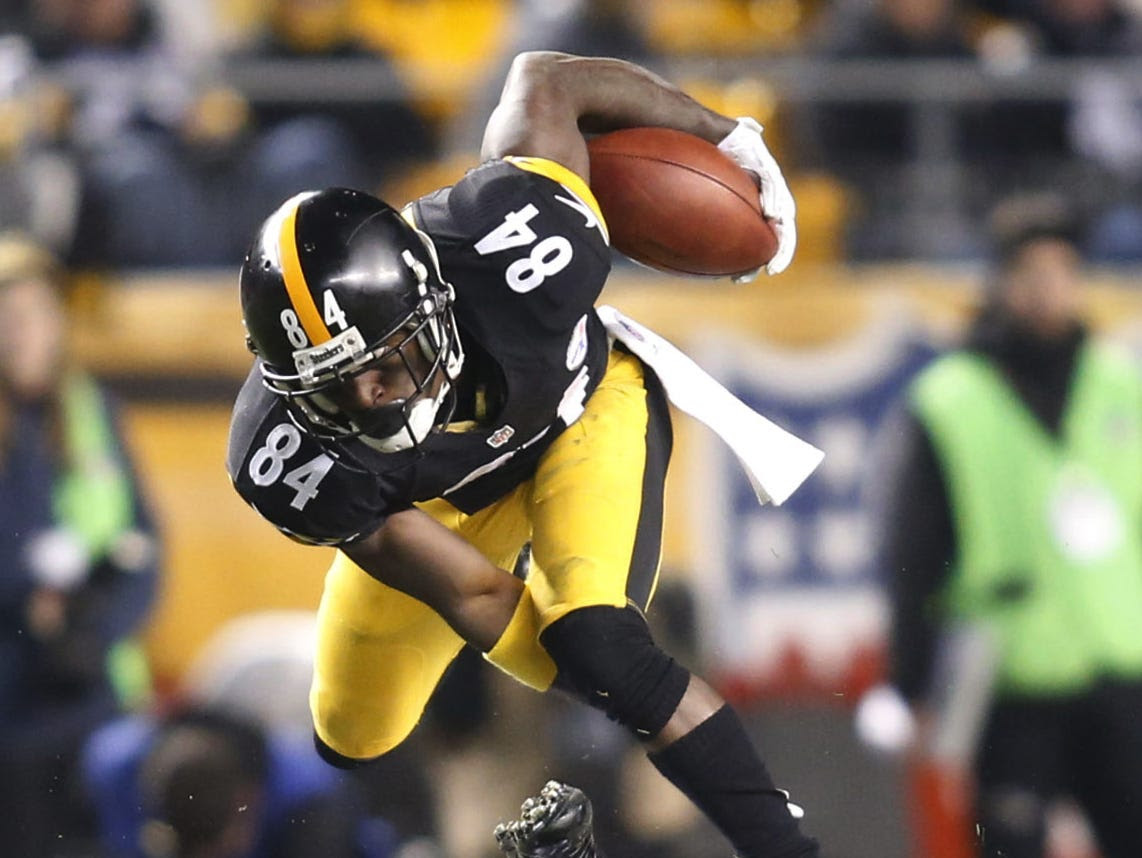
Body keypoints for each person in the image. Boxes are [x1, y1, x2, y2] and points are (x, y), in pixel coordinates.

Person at [227, 50, 816, 858]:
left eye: (384, 361)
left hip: (581, 415)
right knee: (350, 725)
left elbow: (547, 81)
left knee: (596, 636)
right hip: (446, 502)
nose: (370, 397)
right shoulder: (286, 457)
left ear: (430, 305)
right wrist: (620, 693)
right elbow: (471, 594)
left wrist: (725, 131)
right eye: (335, 387)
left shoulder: (515, 241)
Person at [871, 192, 1142, 858]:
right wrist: (910, 675)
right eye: (1031, 272)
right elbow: (914, 549)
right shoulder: (951, 398)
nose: (1048, 289)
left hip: (1121, 660)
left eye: (1062, 271)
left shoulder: (1121, 382)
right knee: (1008, 841)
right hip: (1009, 671)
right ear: (1001, 282)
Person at [0, 232, 161, 856]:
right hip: (12, 706)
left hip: (97, 690)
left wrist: (89, 624)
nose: (24, 331)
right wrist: (32, 611)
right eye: (8, 317)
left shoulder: (93, 411)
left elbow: (145, 544)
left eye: (38, 311)